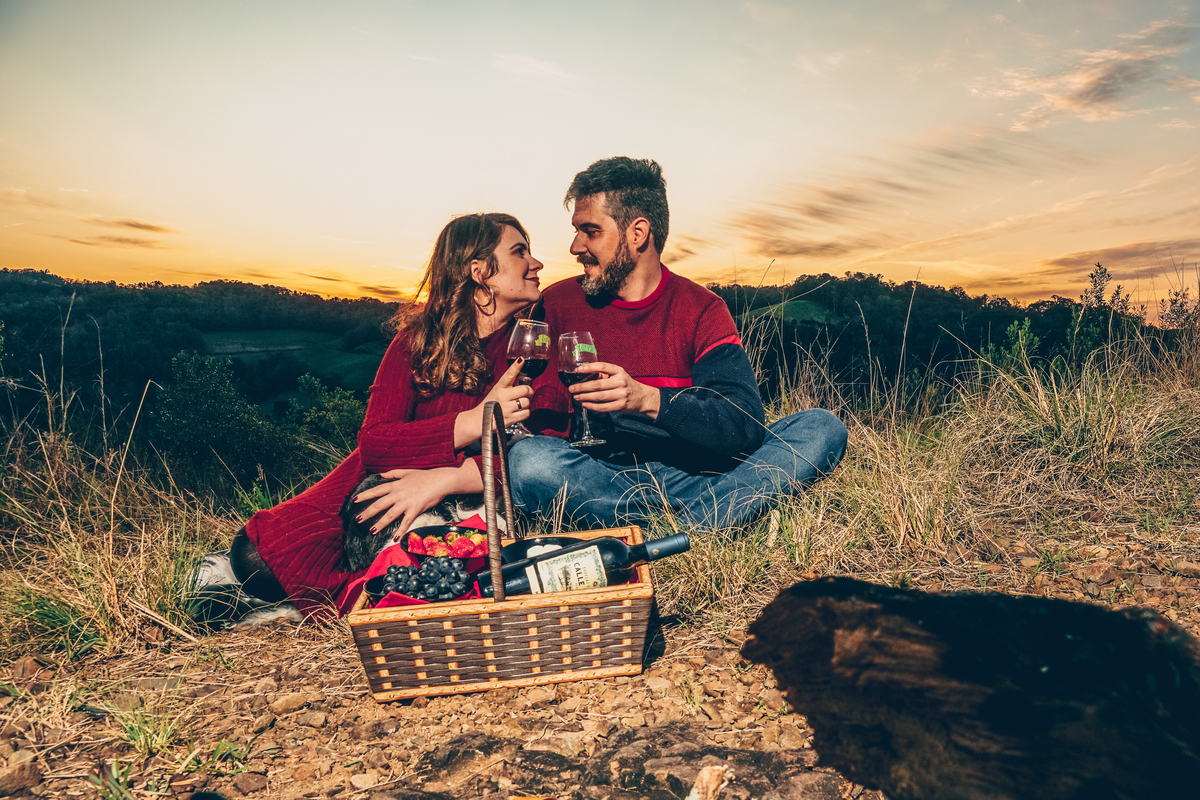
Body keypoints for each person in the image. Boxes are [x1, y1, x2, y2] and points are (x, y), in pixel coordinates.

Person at [190, 213, 543, 622]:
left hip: (451, 501)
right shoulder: (417, 341)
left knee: (432, 562)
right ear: (479, 272)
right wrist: (473, 420)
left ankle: (357, 590)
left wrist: (444, 478)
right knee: (257, 558)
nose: (535, 263)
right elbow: (375, 443)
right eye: (520, 252)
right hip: (365, 492)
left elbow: (536, 456)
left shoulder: (531, 348)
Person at [508, 157, 848, 531]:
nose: (576, 246)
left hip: (698, 476)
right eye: (577, 231)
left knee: (821, 427)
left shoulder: (701, 309)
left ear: (637, 233)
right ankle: (704, 525)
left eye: (590, 231)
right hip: (603, 480)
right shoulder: (557, 303)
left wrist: (648, 400)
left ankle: (665, 530)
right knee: (531, 461)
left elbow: (744, 424)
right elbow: (537, 417)